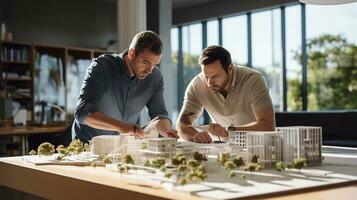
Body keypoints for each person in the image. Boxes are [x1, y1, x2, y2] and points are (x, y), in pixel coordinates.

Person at [73, 30, 178, 143]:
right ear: (132, 53)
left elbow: (160, 115)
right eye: (146, 63)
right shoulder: (102, 66)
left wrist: (165, 129)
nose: (150, 70)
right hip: (87, 145)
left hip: (122, 147)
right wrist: (121, 126)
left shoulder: (155, 77)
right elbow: (83, 112)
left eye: (154, 65)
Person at [176, 45, 275, 143]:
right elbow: (181, 125)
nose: (209, 82)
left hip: (260, 146)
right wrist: (196, 135)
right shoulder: (197, 85)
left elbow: (268, 126)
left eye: (215, 76)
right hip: (224, 149)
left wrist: (230, 131)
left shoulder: (253, 80)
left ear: (230, 68)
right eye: (206, 76)